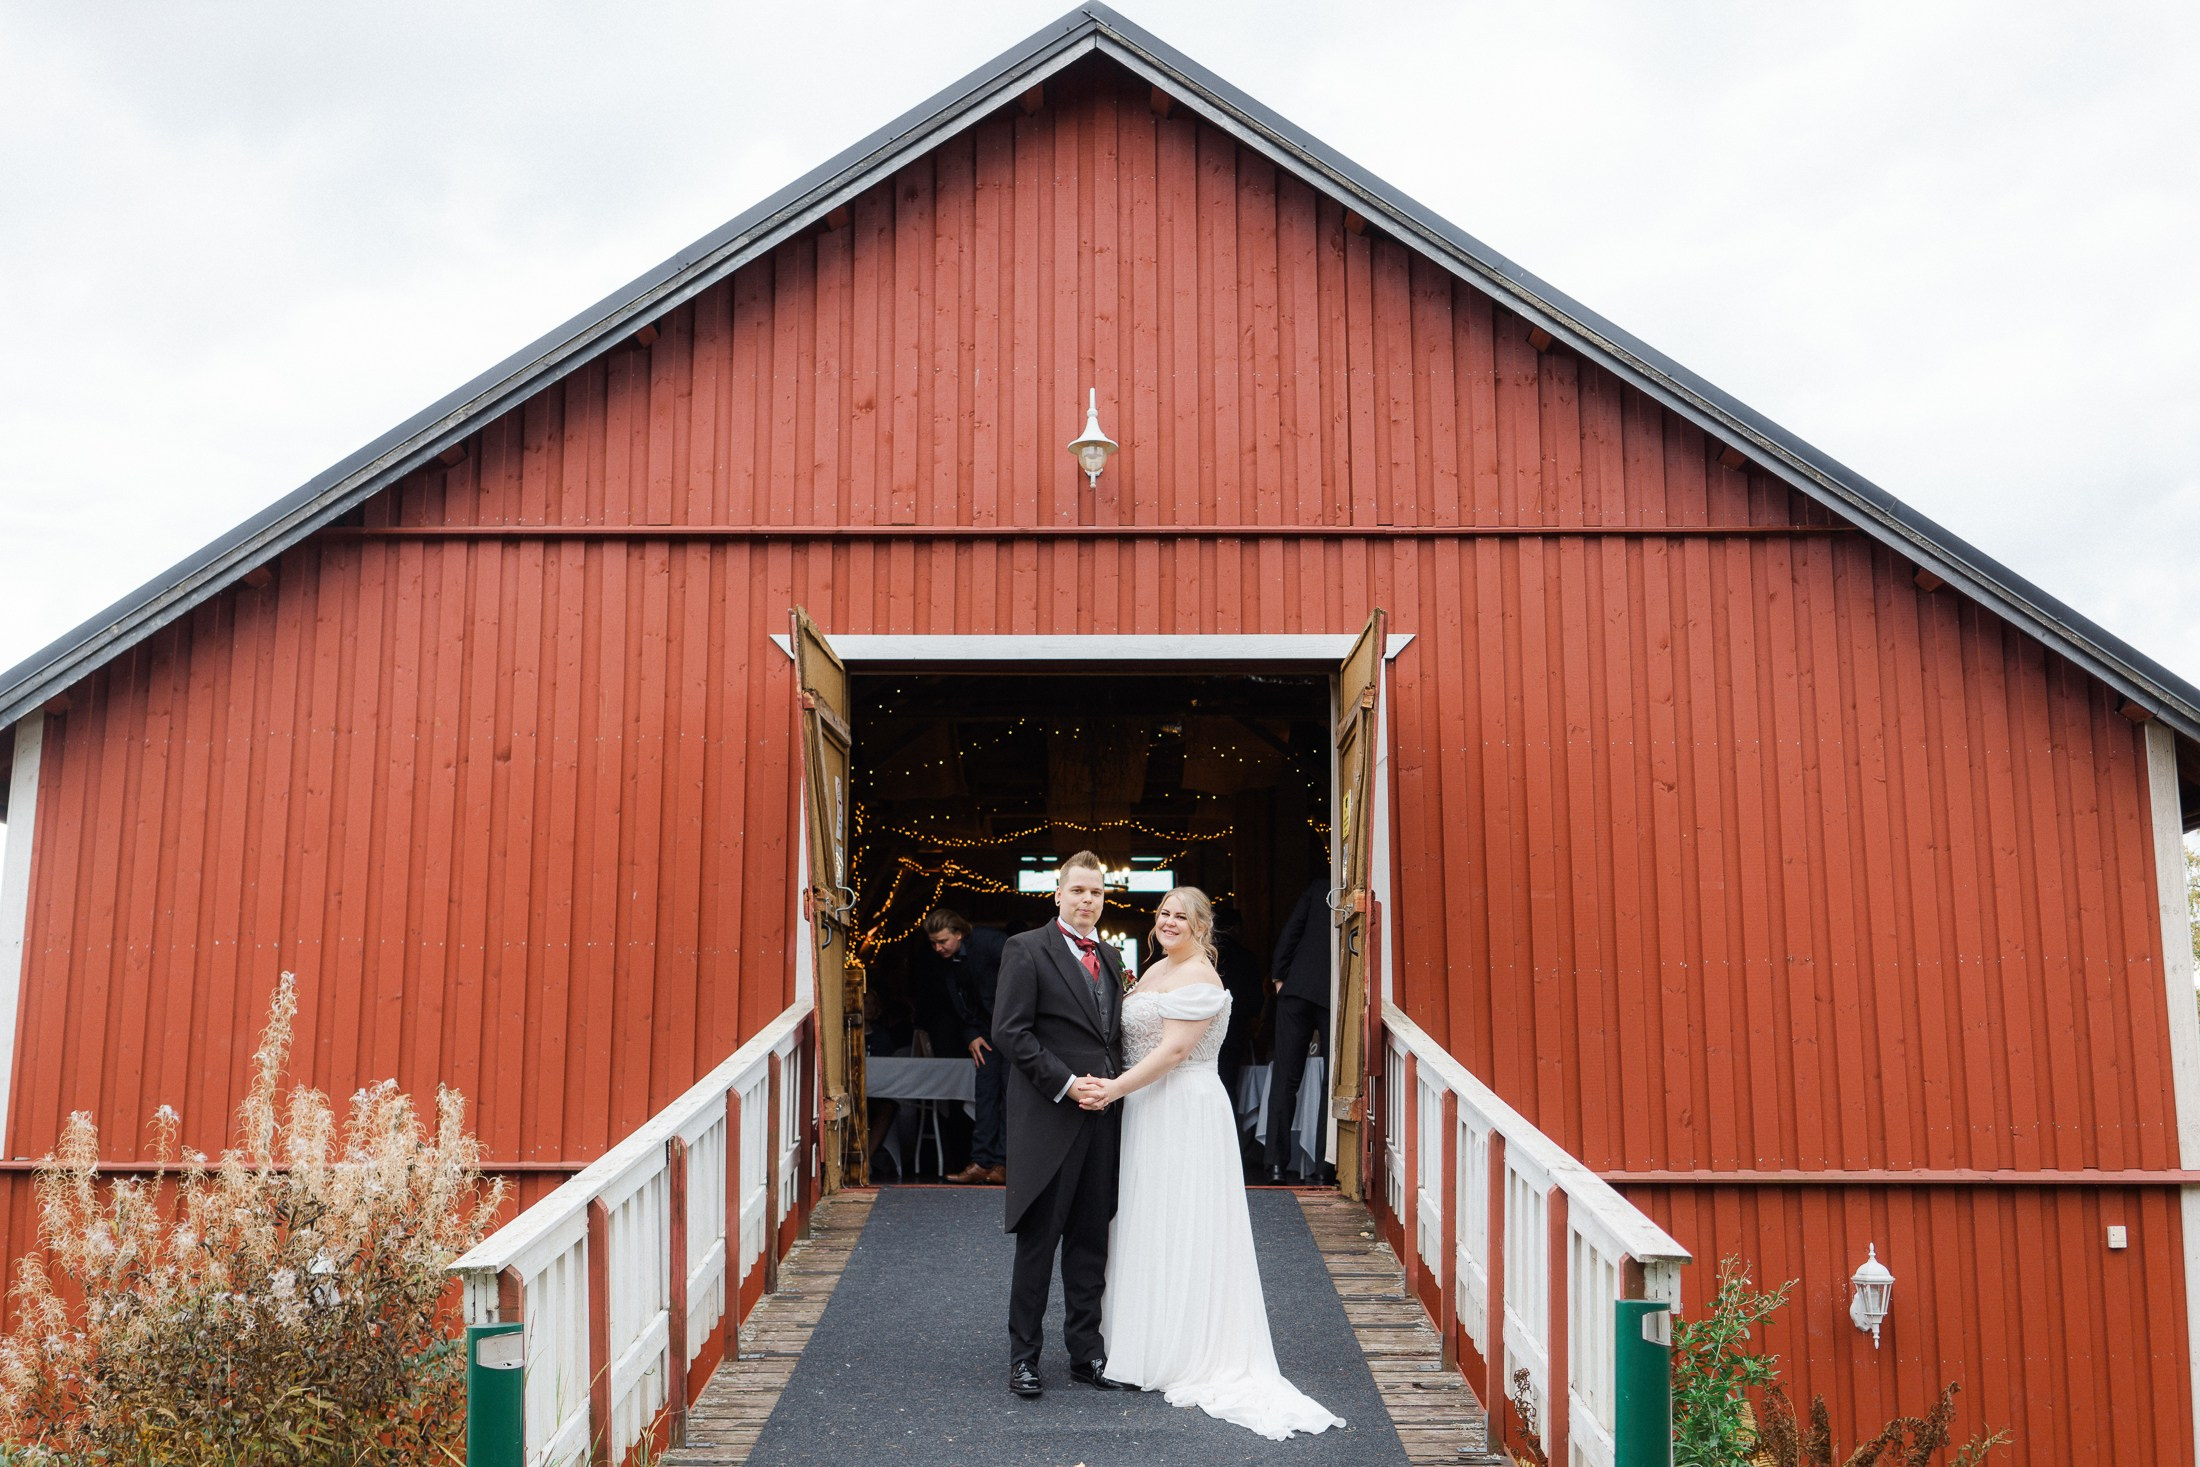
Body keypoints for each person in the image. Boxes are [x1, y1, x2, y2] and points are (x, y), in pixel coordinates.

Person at [1087, 886, 1344, 1440]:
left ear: (1202, 927)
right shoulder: (1155, 969)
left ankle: (1184, 1346)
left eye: (1181, 916)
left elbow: (1174, 1051)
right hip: (1148, 1107)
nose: (1169, 921)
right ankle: (1145, 1335)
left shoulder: (1200, 977)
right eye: (1164, 913)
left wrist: (1112, 1090)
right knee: (1150, 1219)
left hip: (1183, 1107)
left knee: (1185, 1221)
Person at [990, 851, 1129, 1399]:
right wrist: (1068, 1083)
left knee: (1091, 1241)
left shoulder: (1112, 956)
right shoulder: (1026, 949)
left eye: (1096, 892)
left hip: (1103, 1120)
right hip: (1050, 1118)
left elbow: (1110, 1037)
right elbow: (1010, 1032)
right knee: (1039, 1243)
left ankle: (1085, 1353)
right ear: (1058, 894)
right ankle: (1023, 1359)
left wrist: (1114, 1085)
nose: (1087, 900)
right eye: (1078, 891)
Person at [923, 908, 1008, 1185]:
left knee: (1009, 1095)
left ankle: (1004, 1164)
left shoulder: (991, 942)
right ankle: (981, 1162)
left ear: (959, 933)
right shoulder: (944, 961)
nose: (938, 948)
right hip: (984, 1032)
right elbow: (954, 1003)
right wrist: (970, 1034)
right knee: (985, 1094)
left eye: (943, 941)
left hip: (1013, 1028)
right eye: (933, 943)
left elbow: (1025, 970)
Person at [1264, 877, 1331, 1183]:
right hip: (1334, 993)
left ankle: (1276, 1164)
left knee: (1285, 1078)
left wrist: (1279, 975)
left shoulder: (1318, 888)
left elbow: (1291, 930)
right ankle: (1325, 1167)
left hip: (1298, 988)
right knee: (1334, 1082)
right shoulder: (1351, 889)